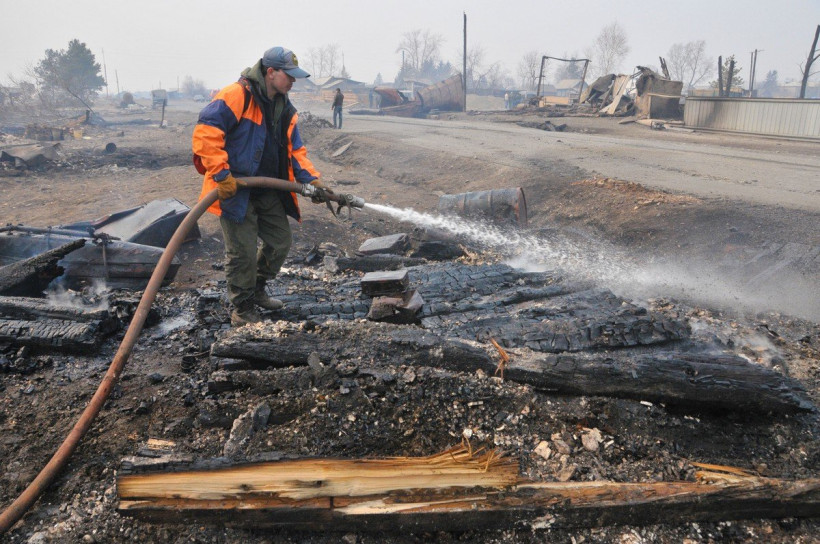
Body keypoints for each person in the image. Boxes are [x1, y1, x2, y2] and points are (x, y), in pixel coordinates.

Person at [192, 46, 330, 327]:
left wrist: (311, 180)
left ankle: (257, 288)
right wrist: (222, 175)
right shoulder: (236, 95)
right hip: (235, 189)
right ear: (270, 72)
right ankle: (242, 309)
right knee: (242, 253)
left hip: (267, 188)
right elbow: (206, 133)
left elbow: (295, 151)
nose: (293, 81)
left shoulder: (285, 109)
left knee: (280, 241)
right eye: (288, 75)